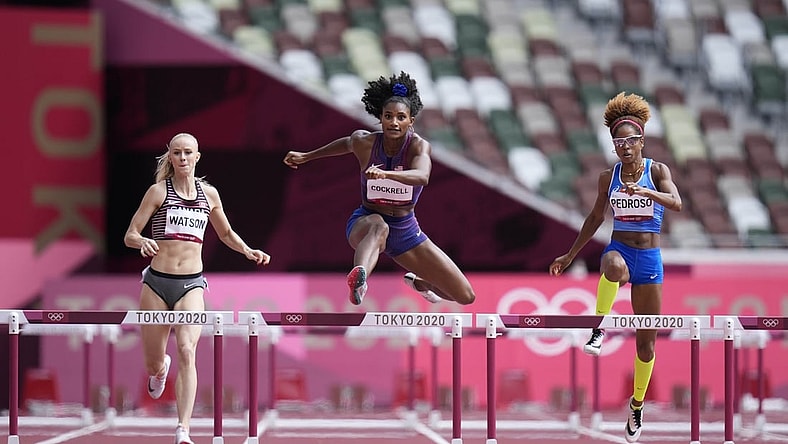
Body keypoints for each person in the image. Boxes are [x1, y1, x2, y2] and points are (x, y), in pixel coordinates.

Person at [548, 92, 682, 443]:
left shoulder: (657, 170)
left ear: (641, 141)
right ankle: (598, 326)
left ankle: (636, 406)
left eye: (629, 141)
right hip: (621, 248)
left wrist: (647, 194)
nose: (623, 147)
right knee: (610, 264)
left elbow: (677, 203)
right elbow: (595, 217)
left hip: (650, 259)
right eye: (617, 142)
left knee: (646, 346)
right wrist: (570, 255)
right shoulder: (608, 177)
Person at [124, 133, 270, 444]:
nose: (182, 158)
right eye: (176, 153)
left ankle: (183, 430)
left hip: (191, 284)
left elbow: (227, 233)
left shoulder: (210, 195)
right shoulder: (157, 192)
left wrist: (247, 250)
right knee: (153, 361)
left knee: (187, 351)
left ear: (197, 156)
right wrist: (143, 240)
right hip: (156, 283)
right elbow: (130, 234)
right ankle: (160, 368)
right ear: (171, 157)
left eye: (188, 152)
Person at [283, 71, 475, 306]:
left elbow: (422, 176)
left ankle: (421, 283)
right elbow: (346, 143)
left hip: (405, 230)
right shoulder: (366, 143)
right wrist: (306, 156)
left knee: (465, 296)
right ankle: (359, 279)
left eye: (401, 117)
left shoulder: (418, 147)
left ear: (410, 121)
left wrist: (386, 174)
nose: (394, 122)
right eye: (388, 116)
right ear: (381, 119)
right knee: (378, 225)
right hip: (365, 223)